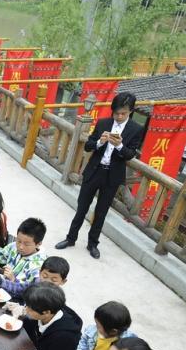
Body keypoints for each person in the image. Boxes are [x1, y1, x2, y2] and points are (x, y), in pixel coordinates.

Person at [55, 92, 144, 259]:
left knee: (101, 212)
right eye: (116, 113)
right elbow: (88, 146)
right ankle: (70, 238)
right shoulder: (104, 123)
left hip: (112, 176)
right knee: (82, 207)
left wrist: (119, 146)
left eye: (123, 113)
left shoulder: (136, 129)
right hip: (94, 171)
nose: (119, 116)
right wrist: (99, 142)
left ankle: (93, 244)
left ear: (131, 111)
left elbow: (130, 154)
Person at [20, 282, 82, 350]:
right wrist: (22, 318)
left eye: (30, 308)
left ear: (46, 312)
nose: (26, 309)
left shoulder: (64, 337)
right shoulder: (46, 311)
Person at [0, 217, 47, 297]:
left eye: (26, 244)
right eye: (19, 241)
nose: (21, 247)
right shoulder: (13, 247)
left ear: (38, 244)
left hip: (15, 299)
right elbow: (0, 255)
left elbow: (28, 292)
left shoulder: (39, 266)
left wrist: (13, 279)